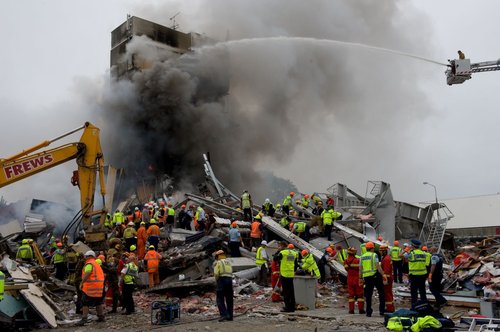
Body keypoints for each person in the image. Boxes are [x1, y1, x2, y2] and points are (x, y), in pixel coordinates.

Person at [76, 251, 105, 325]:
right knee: (98, 302)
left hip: (90, 287)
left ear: (89, 256)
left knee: (85, 303)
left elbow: (88, 273)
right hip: (99, 287)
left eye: (86, 256)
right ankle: (101, 317)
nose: (85, 258)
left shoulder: (89, 264)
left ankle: (84, 319)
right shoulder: (96, 264)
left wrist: (82, 282)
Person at [359, 241, 386, 317]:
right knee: (381, 293)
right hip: (375, 276)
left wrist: (360, 278)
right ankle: (382, 311)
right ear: (372, 248)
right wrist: (383, 274)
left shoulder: (362, 257)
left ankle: (368, 312)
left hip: (367, 277)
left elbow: (360, 268)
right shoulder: (374, 255)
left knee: (368, 295)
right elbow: (378, 266)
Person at [274, 243, 298, 312]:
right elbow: (295, 264)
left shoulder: (282, 253)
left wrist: (278, 251)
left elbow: (275, 258)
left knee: (286, 292)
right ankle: (292, 307)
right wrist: (294, 271)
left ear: (283, 247)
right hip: (291, 274)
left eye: (279, 246)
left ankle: (287, 307)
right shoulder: (294, 253)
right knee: (291, 291)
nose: (278, 247)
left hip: (284, 274)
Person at [406, 239, 428, 307]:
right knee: (422, 291)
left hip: (414, 275)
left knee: (414, 292)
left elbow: (400, 256)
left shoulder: (412, 254)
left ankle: (414, 306)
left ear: (412, 246)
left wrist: (406, 250)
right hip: (422, 274)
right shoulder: (423, 253)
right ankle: (424, 305)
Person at [213, 250, 233, 322]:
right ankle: (230, 316)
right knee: (229, 299)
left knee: (220, 298)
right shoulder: (228, 262)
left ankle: (224, 315)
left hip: (221, 280)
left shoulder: (218, 262)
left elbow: (216, 273)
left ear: (218, 256)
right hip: (229, 280)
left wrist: (217, 280)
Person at [344, 247, 364, 314]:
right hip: (358, 279)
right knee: (360, 295)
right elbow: (361, 269)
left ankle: (351, 310)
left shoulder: (346, 261)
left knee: (351, 295)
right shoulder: (358, 260)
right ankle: (361, 309)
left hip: (350, 279)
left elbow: (346, 269)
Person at [380, 244, 395, 313]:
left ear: (384, 251)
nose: (380, 252)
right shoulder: (387, 257)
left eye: (381, 251)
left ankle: (389, 308)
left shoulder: (386, 259)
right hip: (389, 277)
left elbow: (386, 271)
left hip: (387, 278)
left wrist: (384, 279)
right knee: (389, 293)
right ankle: (391, 307)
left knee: (387, 293)